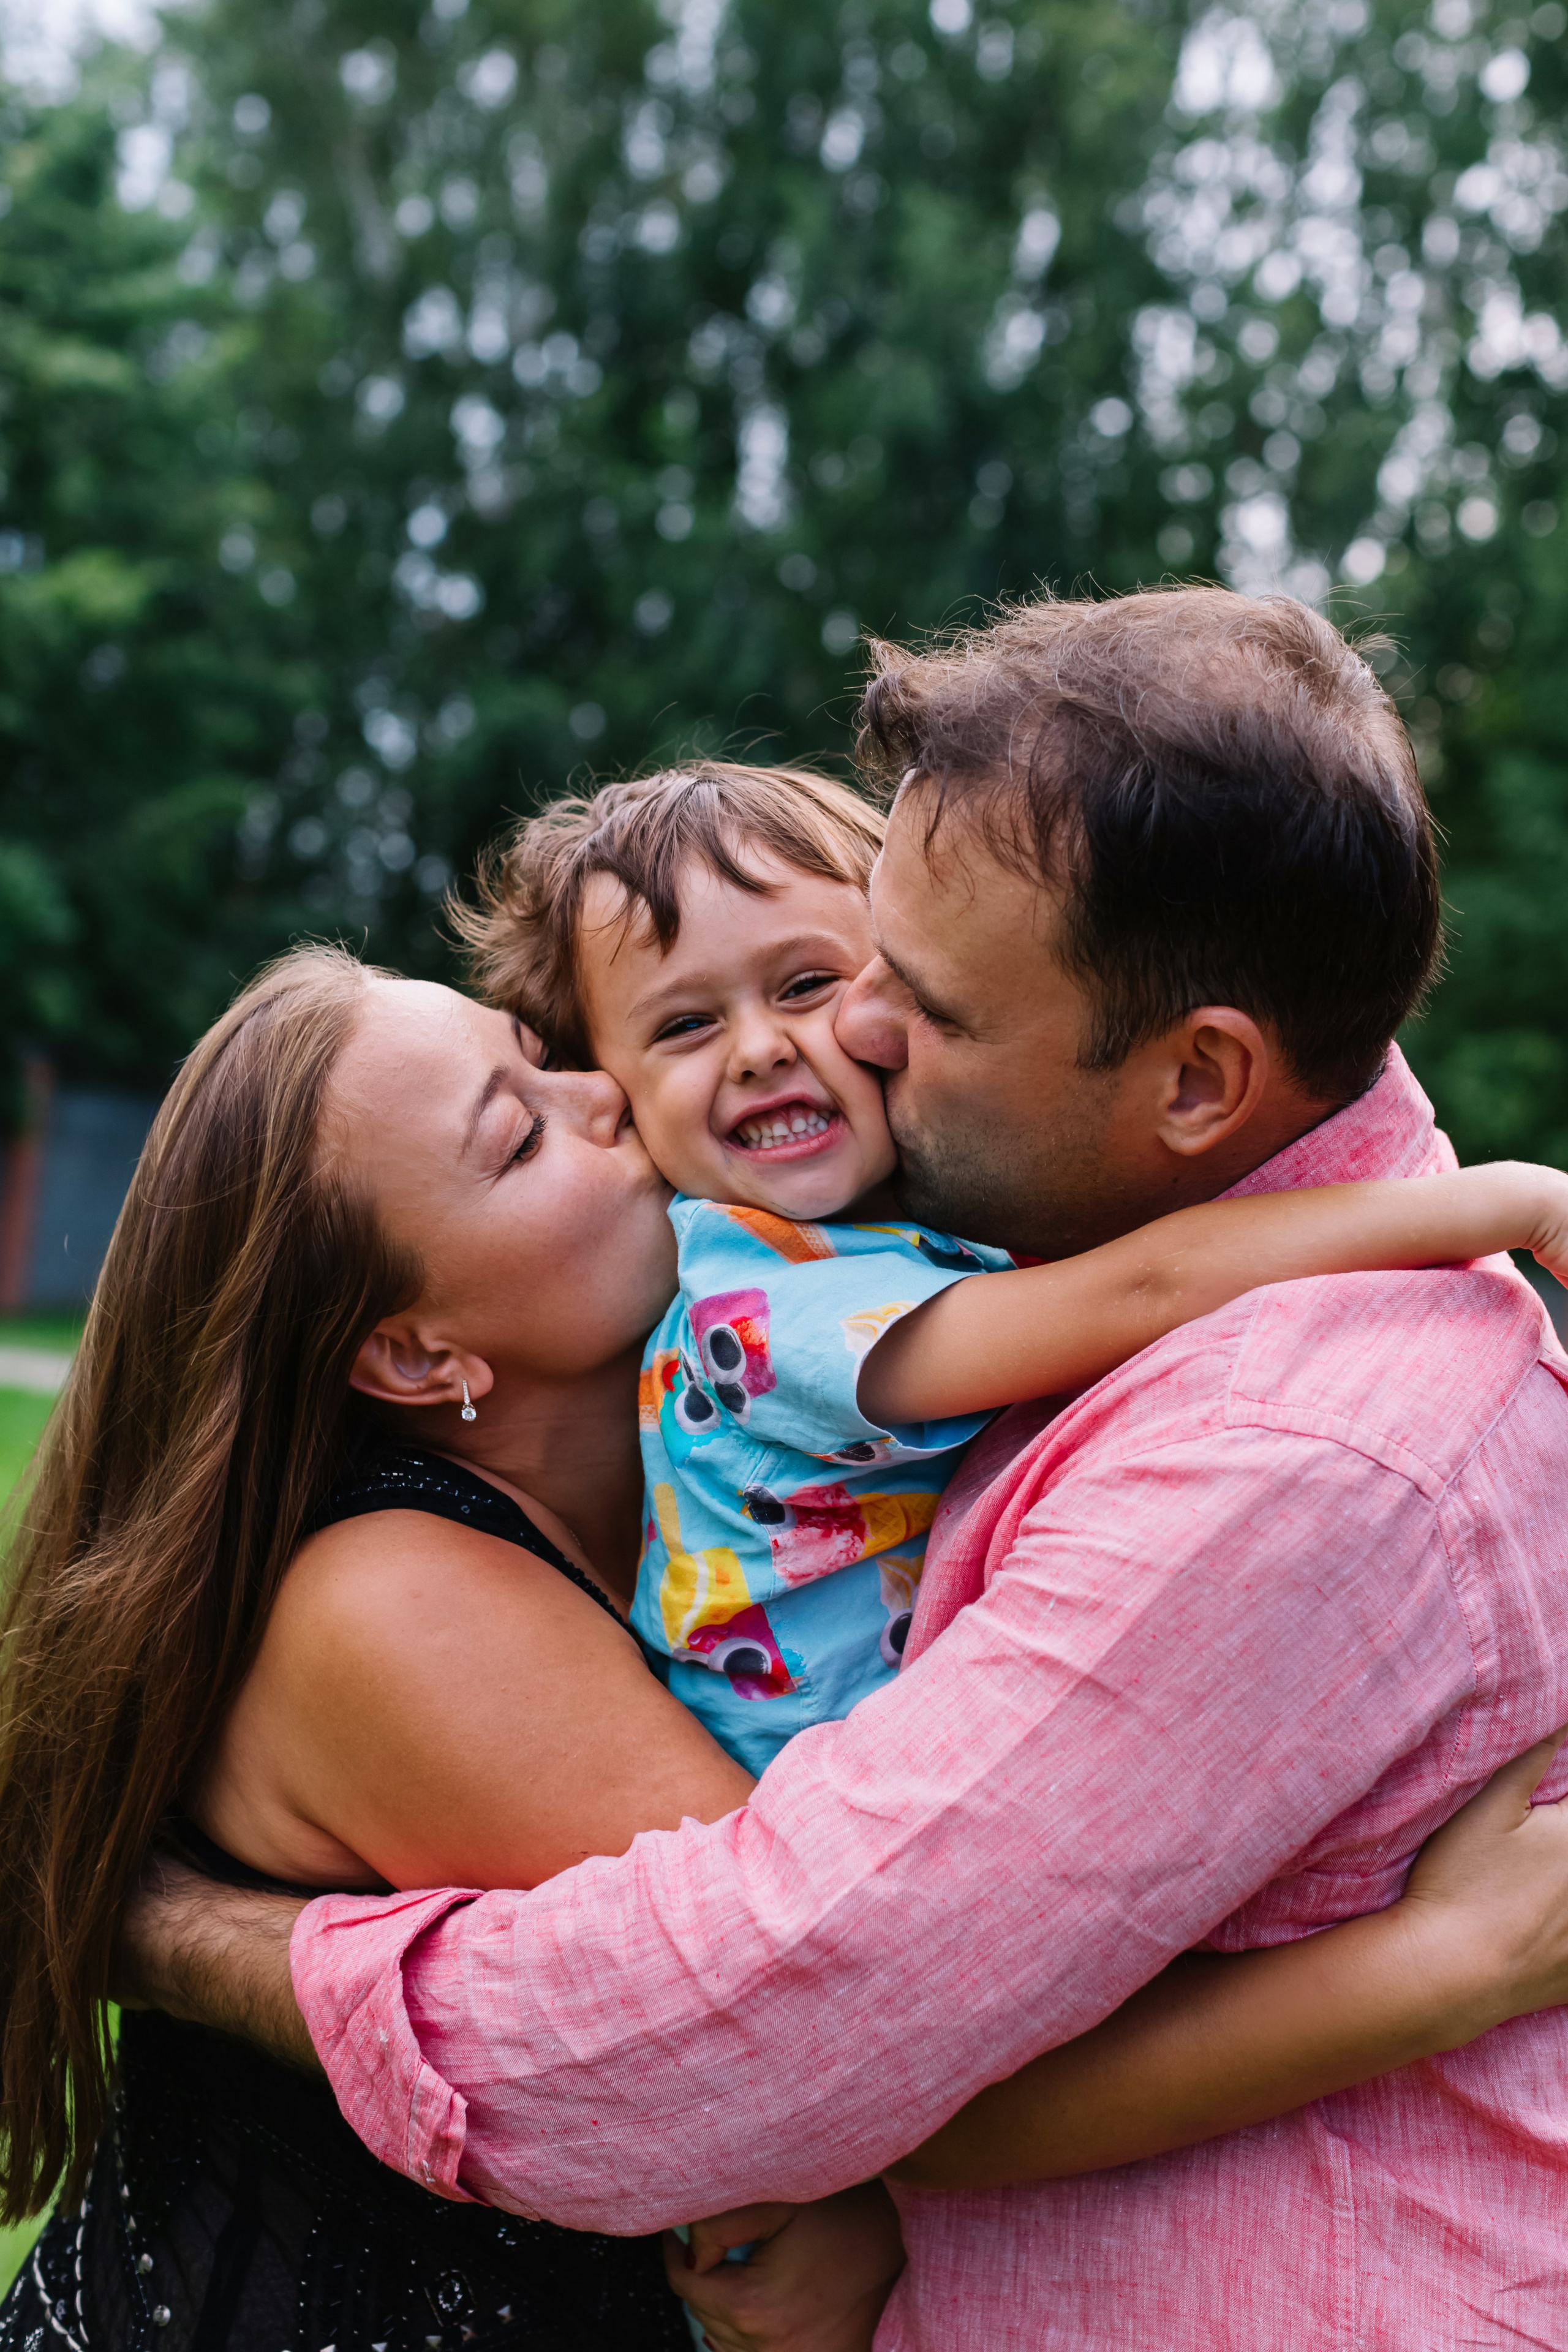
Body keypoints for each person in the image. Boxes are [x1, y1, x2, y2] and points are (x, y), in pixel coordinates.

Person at [110, 587, 1568, 2350]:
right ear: (412, 1346)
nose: (846, 1035)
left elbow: (795, 2048)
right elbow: (812, 2057)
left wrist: (201, 1938)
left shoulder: (1269, 1431)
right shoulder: (435, 1570)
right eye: (556, 1089)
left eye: (901, 995)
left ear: (1199, 1080)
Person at [467, 760, 1568, 1779]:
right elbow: (1147, 1291)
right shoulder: (760, 1301)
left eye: (804, 985)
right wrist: (1504, 1203)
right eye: (688, 1025)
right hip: (835, 1787)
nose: (757, 1049)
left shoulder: (916, 1224)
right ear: (609, 1088)